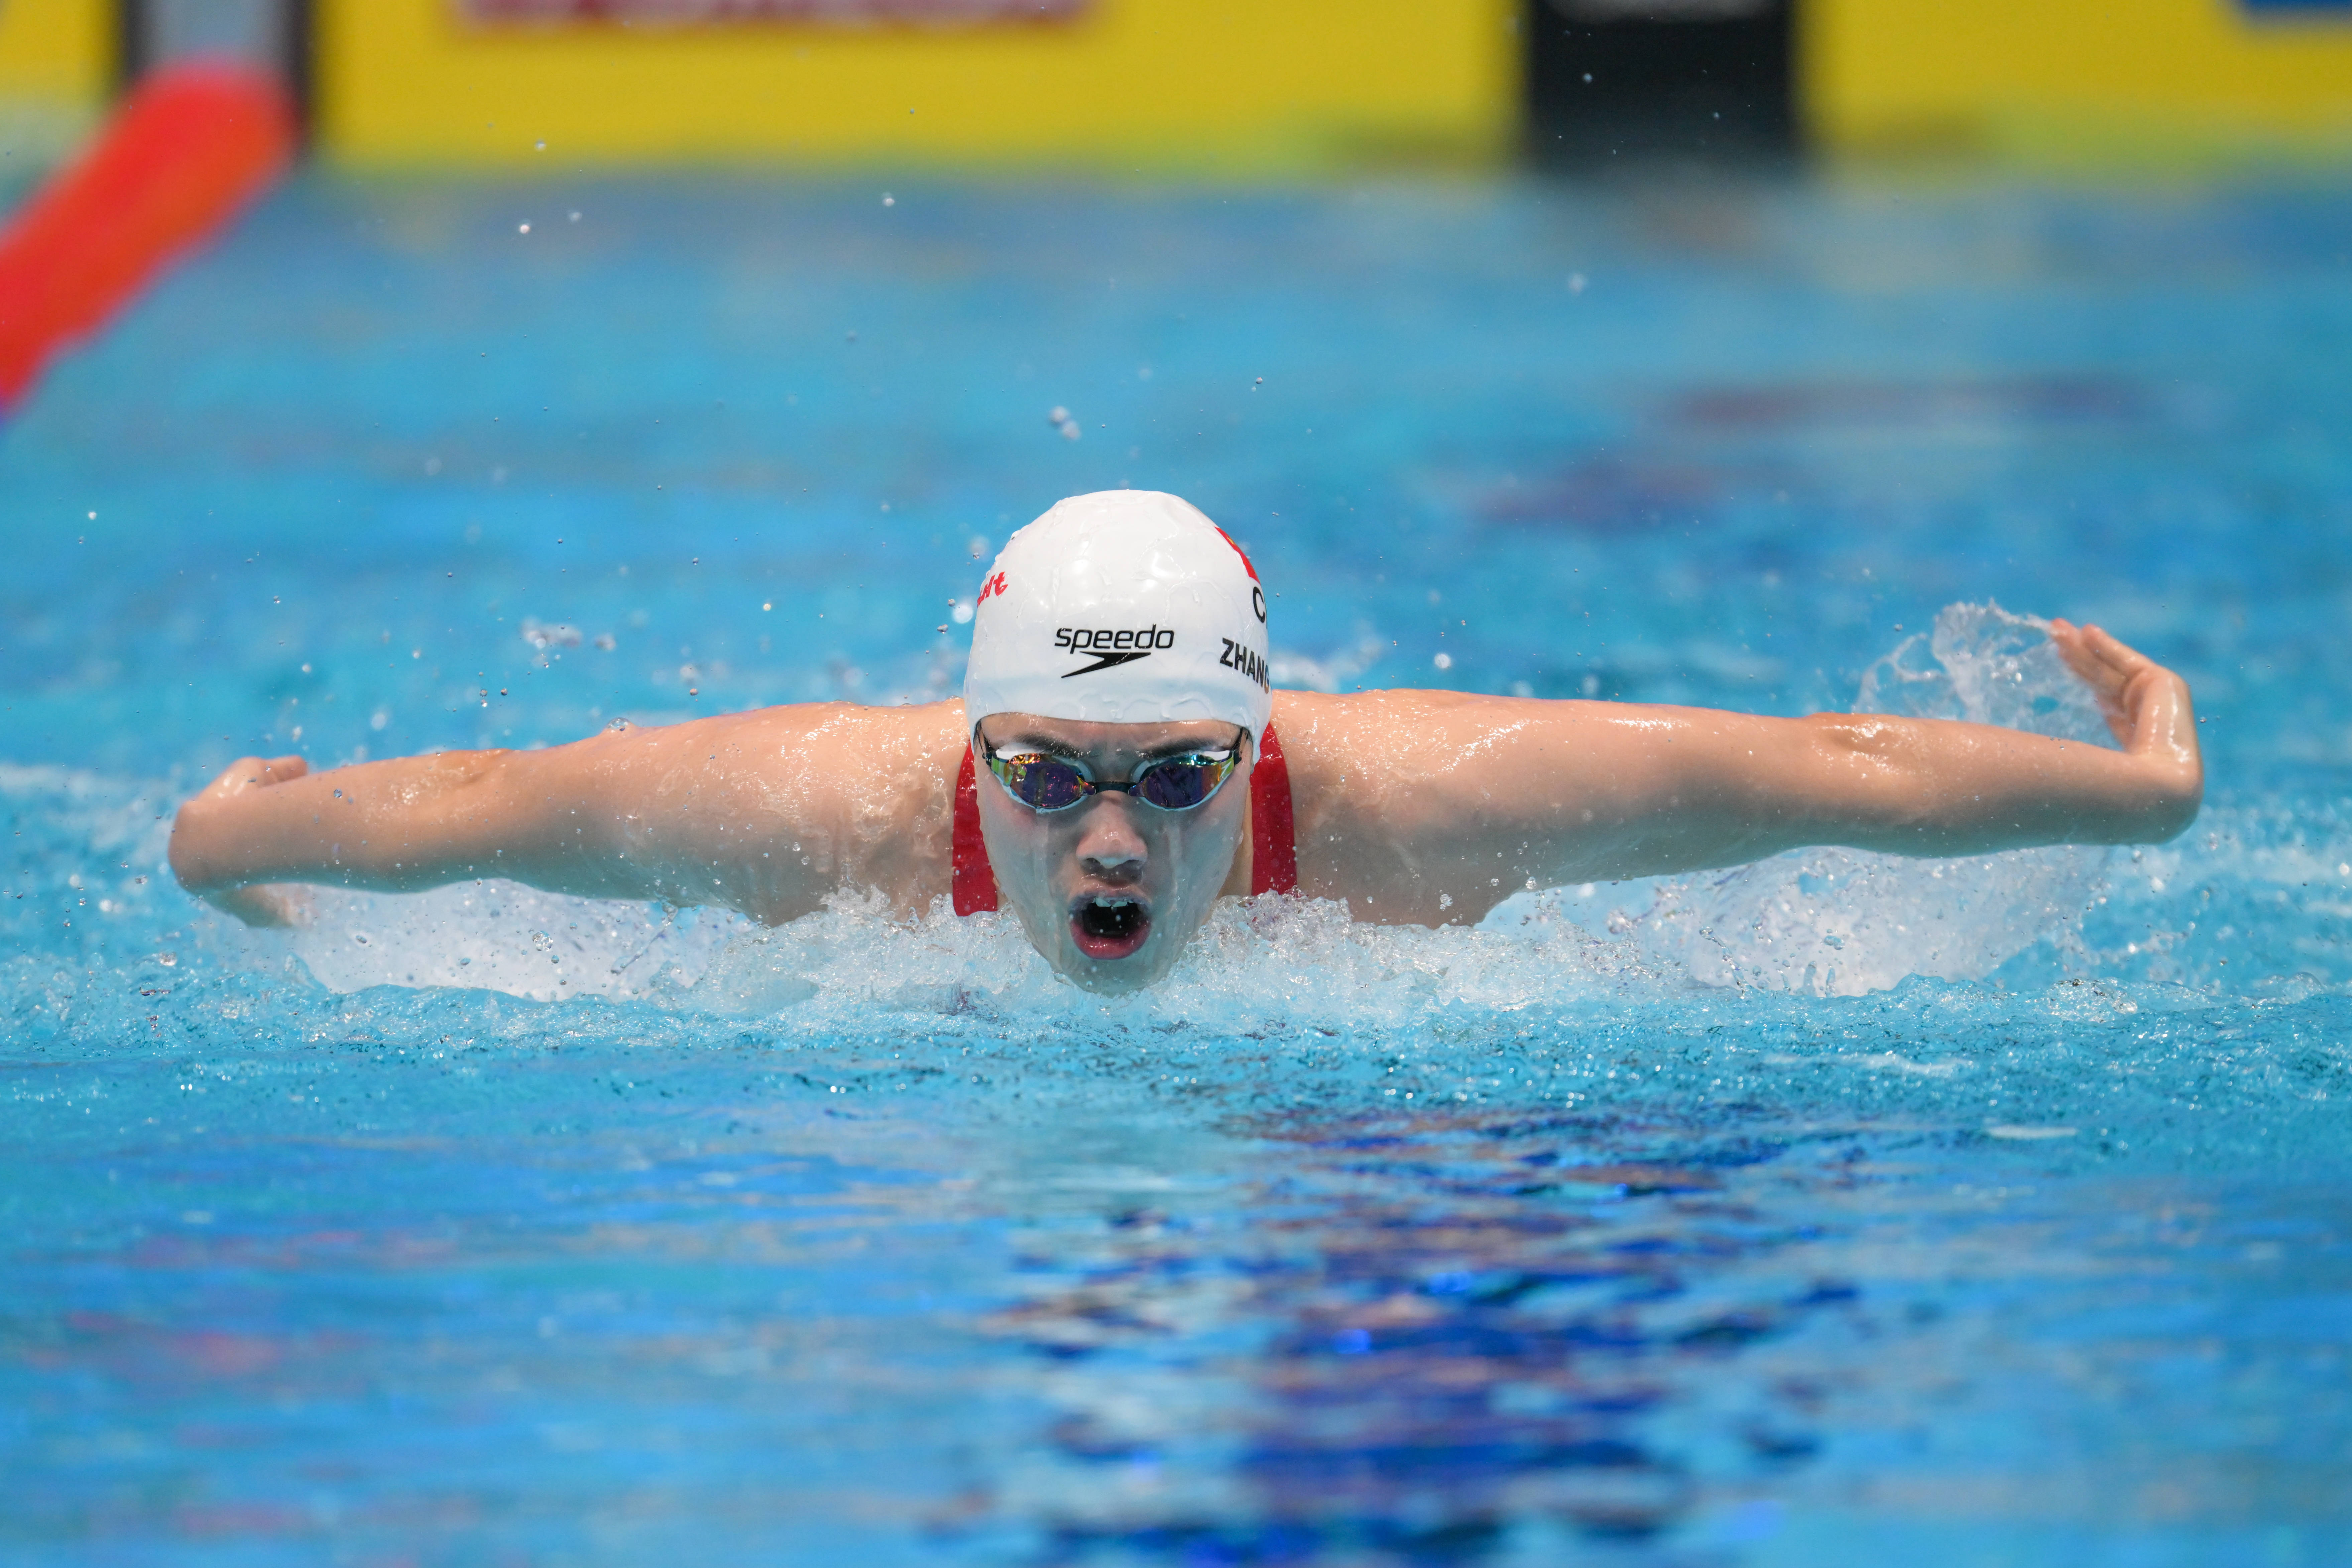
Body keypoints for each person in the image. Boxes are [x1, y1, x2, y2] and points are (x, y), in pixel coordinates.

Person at [169, 490, 2203, 995]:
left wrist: (2151, 787)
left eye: (1175, 774)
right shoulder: (831, 818)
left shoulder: (1416, 809)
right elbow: (487, 805)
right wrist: (226, 840)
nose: (1111, 834)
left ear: (1258, 747)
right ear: (974, 761)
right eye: (1047, 775)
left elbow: (1828, 768)